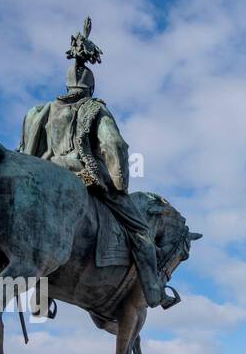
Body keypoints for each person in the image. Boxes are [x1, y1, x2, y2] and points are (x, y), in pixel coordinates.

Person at [18, 17, 177, 310]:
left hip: (45, 172)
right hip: (83, 173)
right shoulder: (94, 108)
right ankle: (155, 293)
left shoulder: (40, 111)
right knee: (142, 233)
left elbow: (25, 149)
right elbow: (114, 145)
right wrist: (118, 185)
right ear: (90, 86)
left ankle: (40, 296)